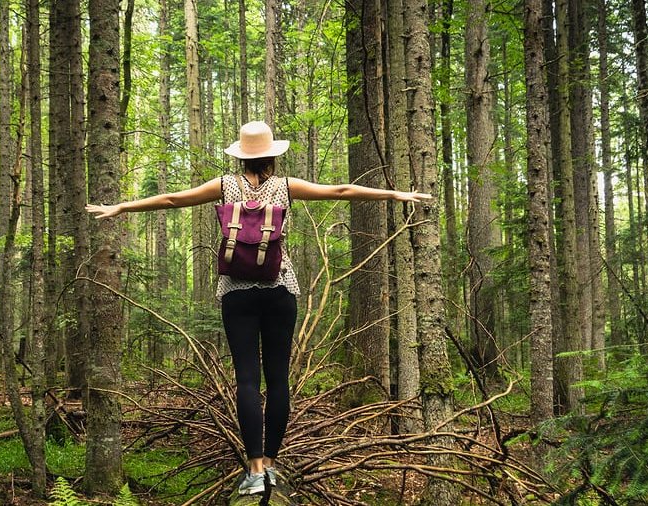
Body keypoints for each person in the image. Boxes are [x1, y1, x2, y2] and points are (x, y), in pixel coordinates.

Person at [86, 121, 432, 495]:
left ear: (240, 155)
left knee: (247, 380)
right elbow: (342, 190)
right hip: (279, 288)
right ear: (272, 154)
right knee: (278, 379)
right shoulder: (285, 187)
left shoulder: (223, 186)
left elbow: (171, 199)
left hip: (236, 291)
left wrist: (121, 207)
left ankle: (253, 470)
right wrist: (395, 195)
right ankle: (271, 465)